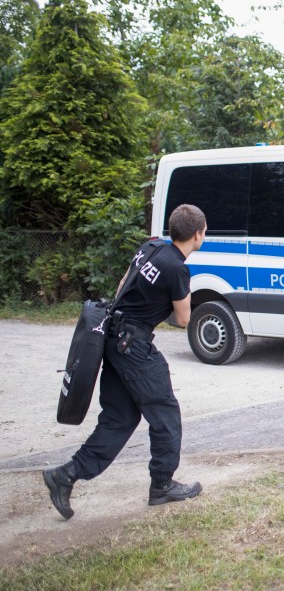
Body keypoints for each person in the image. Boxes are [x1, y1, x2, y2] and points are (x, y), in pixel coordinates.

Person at [43, 204, 207, 520]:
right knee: (164, 411)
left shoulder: (152, 245)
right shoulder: (177, 268)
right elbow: (184, 319)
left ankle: (65, 475)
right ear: (198, 234)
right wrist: (178, 296)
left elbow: (123, 284)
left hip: (115, 338)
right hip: (135, 347)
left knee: (120, 418)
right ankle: (162, 485)